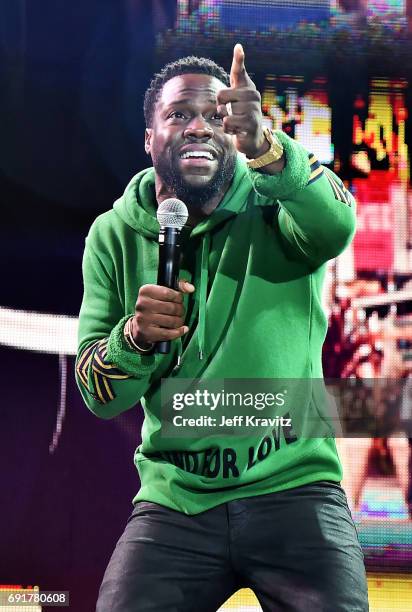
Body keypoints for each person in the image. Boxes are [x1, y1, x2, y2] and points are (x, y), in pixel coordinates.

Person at [76, 44, 368, 611]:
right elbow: (98, 395)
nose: (198, 129)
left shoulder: (276, 198)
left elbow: (336, 227)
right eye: (179, 115)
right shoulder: (112, 235)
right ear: (148, 139)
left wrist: (267, 148)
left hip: (296, 488)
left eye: (215, 116)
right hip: (176, 502)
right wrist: (134, 341)